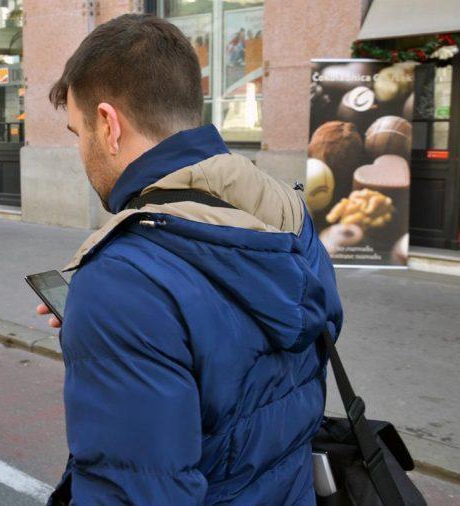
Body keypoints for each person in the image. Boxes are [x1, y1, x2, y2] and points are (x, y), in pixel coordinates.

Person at [36, 14, 343, 505]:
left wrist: (110, 320)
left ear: (109, 125)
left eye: (78, 132)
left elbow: (136, 491)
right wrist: (112, 336)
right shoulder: (287, 212)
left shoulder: (122, 283)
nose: (81, 150)